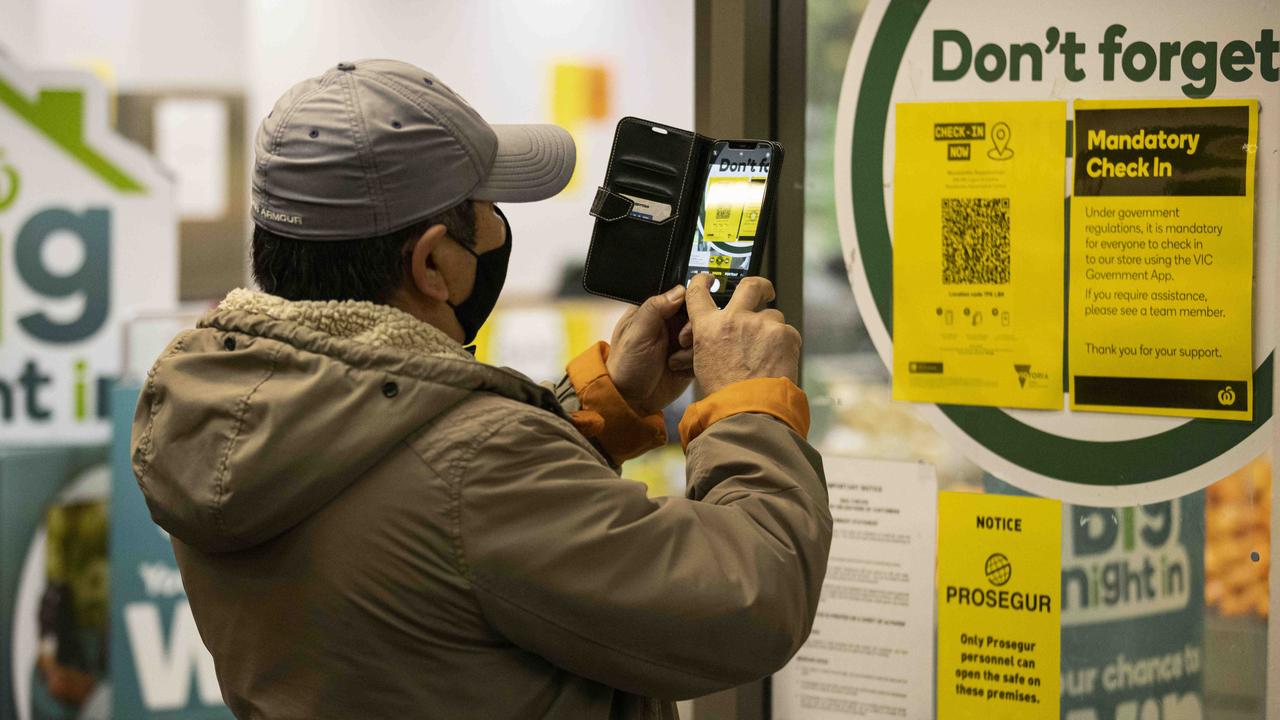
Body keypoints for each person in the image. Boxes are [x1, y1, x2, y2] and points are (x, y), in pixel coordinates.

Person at [131, 59, 831, 720]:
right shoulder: (478, 467)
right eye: (489, 207)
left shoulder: (228, 413)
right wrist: (748, 404)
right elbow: (751, 599)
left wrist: (603, 408)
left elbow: (431, 509)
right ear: (434, 263)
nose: (499, 228)